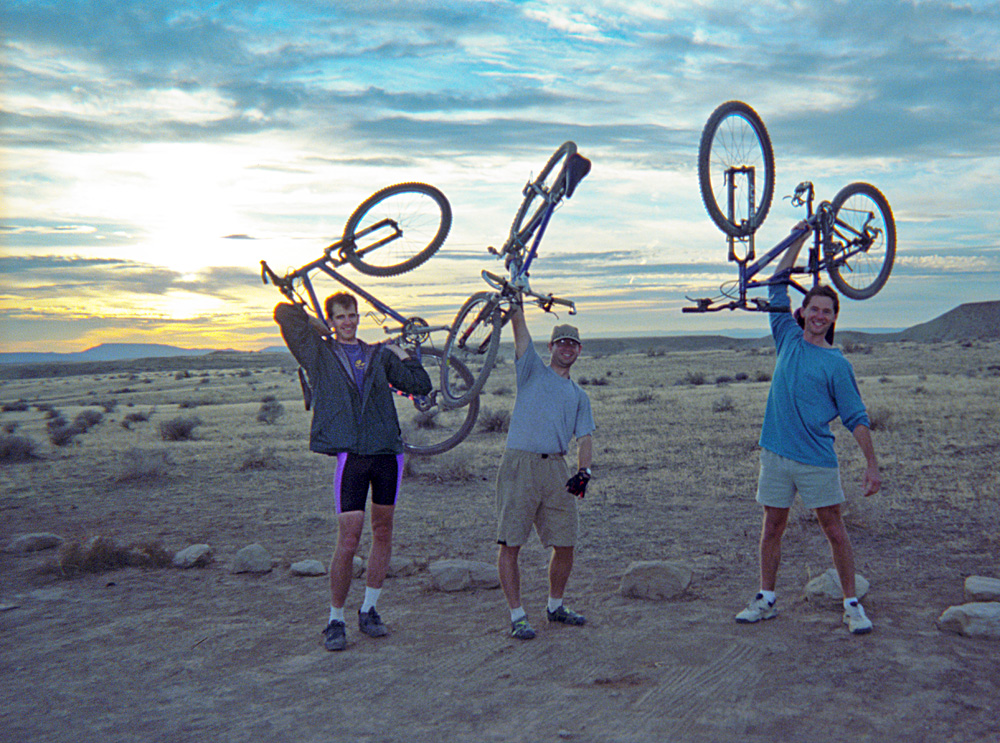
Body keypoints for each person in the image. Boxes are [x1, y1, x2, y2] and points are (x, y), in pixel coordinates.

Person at [735, 226, 881, 635]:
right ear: (802, 313)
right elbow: (778, 285)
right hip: (776, 456)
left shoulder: (837, 364)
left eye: (826, 311)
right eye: (812, 309)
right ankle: (766, 599)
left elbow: (856, 417)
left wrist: (871, 464)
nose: (818, 315)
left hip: (816, 460)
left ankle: (851, 604)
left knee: (834, 529)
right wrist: (796, 238)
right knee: (772, 527)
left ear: (833, 318)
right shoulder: (786, 338)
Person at [274, 292, 431, 651]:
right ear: (332, 320)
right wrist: (316, 325)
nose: (348, 322)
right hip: (352, 458)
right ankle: (335, 619)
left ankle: (370, 609)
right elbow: (283, 313)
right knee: (348, 539)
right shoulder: (319, 353)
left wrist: (402, 353)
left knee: (383, 532)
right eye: (340, 317)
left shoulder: (378, 355)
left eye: (352, 315)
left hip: (388, 453)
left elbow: (420, 385)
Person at [495, 300, 596, 640]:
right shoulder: (531, 370)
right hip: (520, 464)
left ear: (579, 350)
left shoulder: (579, 395)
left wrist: (584, 471)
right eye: (561, 342)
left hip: (556, 468)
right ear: (550, 347)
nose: (567, 348)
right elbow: (520, 332)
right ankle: (517, 615)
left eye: (572, 343)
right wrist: (516, 305)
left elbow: (584, 437)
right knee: (511, 542)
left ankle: (555, 606)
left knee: (565, 542)